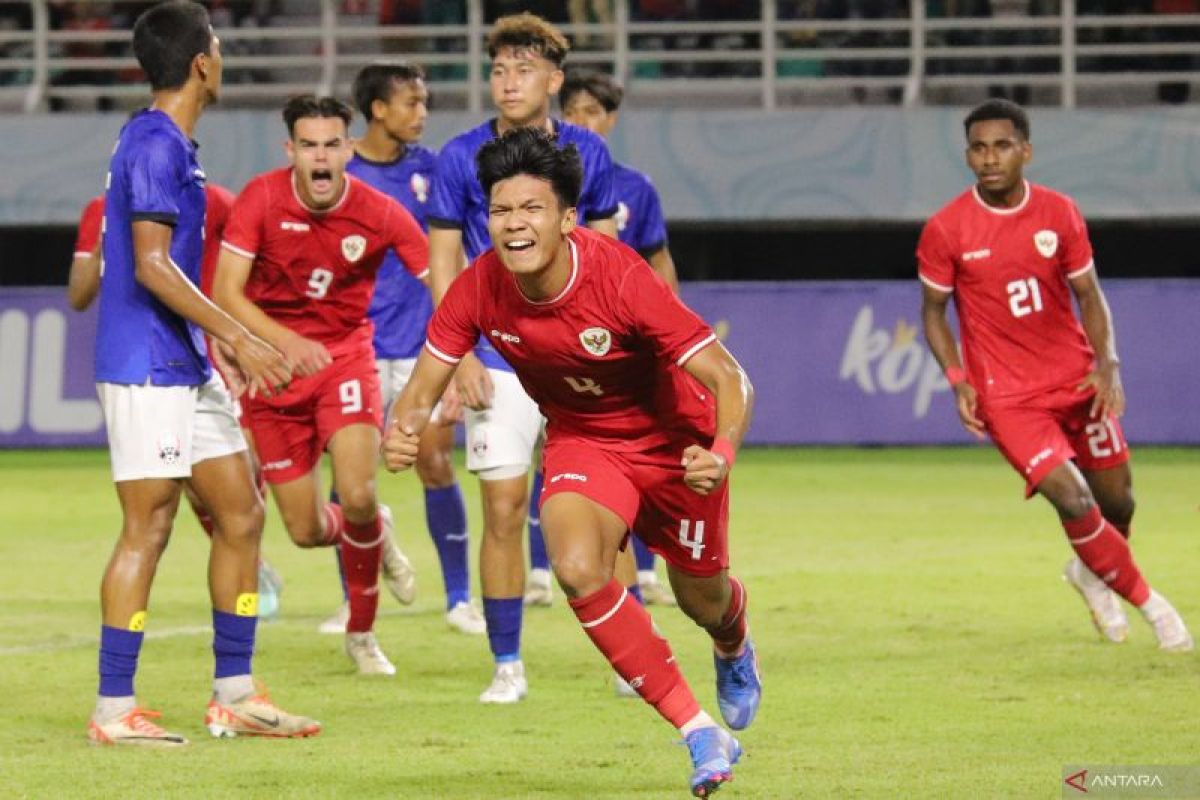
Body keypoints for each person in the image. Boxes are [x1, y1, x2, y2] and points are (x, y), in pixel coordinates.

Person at [385, 127, 760, 797]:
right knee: (578, 568)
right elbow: (422, 387)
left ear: (564, 218)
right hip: (585, 440)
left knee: (701, 598)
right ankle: (699, 729)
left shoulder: (620, 277)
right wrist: (403, 429)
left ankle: (732, 643)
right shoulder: (478, 287)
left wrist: (722, 451)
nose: (514, 225)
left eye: (531, 210)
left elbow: (731, 379)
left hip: (676, 444)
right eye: (500, 211)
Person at [89, 0, 316, 747]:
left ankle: (237, 693)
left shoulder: (171, 143)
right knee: (147, 526)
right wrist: (240, 338)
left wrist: (212, 344)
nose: (222, 56)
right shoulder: (155, 144)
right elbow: (153, 265)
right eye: (216, 46)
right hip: (144, 365)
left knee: (241, 513)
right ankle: (114, 708)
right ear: (201, 63)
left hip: (179, 359)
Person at [919, 99, 1192, 652]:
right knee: (1074, 500)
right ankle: (1154, 607)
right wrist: (958, 379)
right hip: (1010, 399)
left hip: (1075, 382)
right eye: (978, 147)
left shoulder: (1059, 212)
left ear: (1025, 151)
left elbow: (1089, 294)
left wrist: (1106, 363)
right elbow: (933, 312)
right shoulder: (947, 228)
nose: (989, 158)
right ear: (968, 155)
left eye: (1001, 146)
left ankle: (1089, 572)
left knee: (1119, 504)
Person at [424, 11, 619, 704]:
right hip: (497, 357)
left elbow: (608, 258)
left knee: (605, 509)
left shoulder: (587, 156)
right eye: (500, 69)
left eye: (525, 69)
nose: (509, 82)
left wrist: (611, 351)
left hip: (578, 357)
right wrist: (461, 354)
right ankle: (507, 664)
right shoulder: (459, 156)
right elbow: (443, 259)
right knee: (504, 507)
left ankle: (629, 657)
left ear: (555, 80)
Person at [213, 94, 428, 676]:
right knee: (306, 531)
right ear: (291, 151)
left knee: (356, 493)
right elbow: (226, 293)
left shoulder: (380, 212)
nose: (322, 156)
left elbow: (440, 275)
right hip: (274, 372)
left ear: (349, 150)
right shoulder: (261, 198)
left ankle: (362, 634)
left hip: (344, 360)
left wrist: (463, 355)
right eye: (309, 145)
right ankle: (376, 531)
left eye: (333, 144)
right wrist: (282, 342)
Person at [315, 61, 485, 638]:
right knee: (349, 482)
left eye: (425, 101)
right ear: (378, 109)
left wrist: (462, 348)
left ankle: (459, 597)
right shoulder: (338, 171)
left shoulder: (434, 170)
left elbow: (452, 258)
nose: (422, 113)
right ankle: (351, 601)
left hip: (422, 350)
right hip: (356, 345)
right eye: (410, 102)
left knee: (435, 463)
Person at [70, 185, 285, 622]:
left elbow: (247, 258)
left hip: (207, 347)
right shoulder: (100, 209)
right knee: (162, 511)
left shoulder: (211, 199)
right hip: (147, 360)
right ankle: (252, 568)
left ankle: (237, 671)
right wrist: (104, 245)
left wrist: (239, 328)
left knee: (242, 484)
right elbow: (78, 296)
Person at [549, 66, 681, 613]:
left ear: (611, 119)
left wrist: (666, 328)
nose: (582, 121)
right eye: (573, 111)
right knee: (563, 455)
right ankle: (549, 565)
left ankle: (643, 570)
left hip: (627, 340)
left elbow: (657, 260)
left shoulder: (635, 187)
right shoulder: (543, 183)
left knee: (641, 457)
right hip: (563, 338)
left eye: (593, 112)